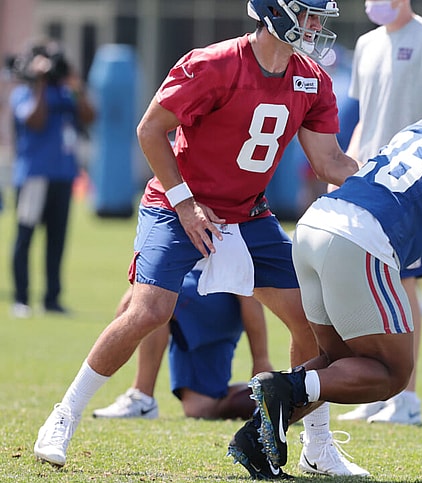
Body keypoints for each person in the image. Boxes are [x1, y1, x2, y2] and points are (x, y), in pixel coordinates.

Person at [33, 1, 368, 478]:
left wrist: (384, 184)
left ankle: (318, 445)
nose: (317, 25)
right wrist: (186, 204)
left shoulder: (310, 78)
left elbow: (329, 162)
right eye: (309, 14)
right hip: (177, 205)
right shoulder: (213, 64)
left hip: (248, 214)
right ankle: (63, 416)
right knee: (149, 310)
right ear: (275, 12)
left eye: (320, 15)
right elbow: (150, 130)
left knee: (314, 325)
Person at [231, 53, 422, 472]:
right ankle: (284, 386)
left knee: (340, 362)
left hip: (316, 222)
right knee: (392, 371)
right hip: (360, 241)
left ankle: (255, 441)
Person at [337, 0, 422, 425]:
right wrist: (344, 171)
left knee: (405, 284)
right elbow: (364, 118)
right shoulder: (367, 42)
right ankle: (375, 389)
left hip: (414, 182)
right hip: (369, 180)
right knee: (366, 286)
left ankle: (406, 397)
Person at [92, 268, 271, 420]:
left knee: (152, 301)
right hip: (196, 292)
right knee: (200, 407)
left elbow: (247, 290)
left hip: (219, 296)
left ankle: (142, 396)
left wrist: (260, 360)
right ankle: (281, 397)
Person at [8, 40, 95, 318]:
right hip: (34, 176)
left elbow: (90, 116)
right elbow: (34, 119)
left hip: (63, 175)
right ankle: (21, 298)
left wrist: (76, 85)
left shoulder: (65, 94)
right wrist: (40, 82)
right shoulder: (24, 94)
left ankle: (52, 300)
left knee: (56, 240)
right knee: (26, 237)